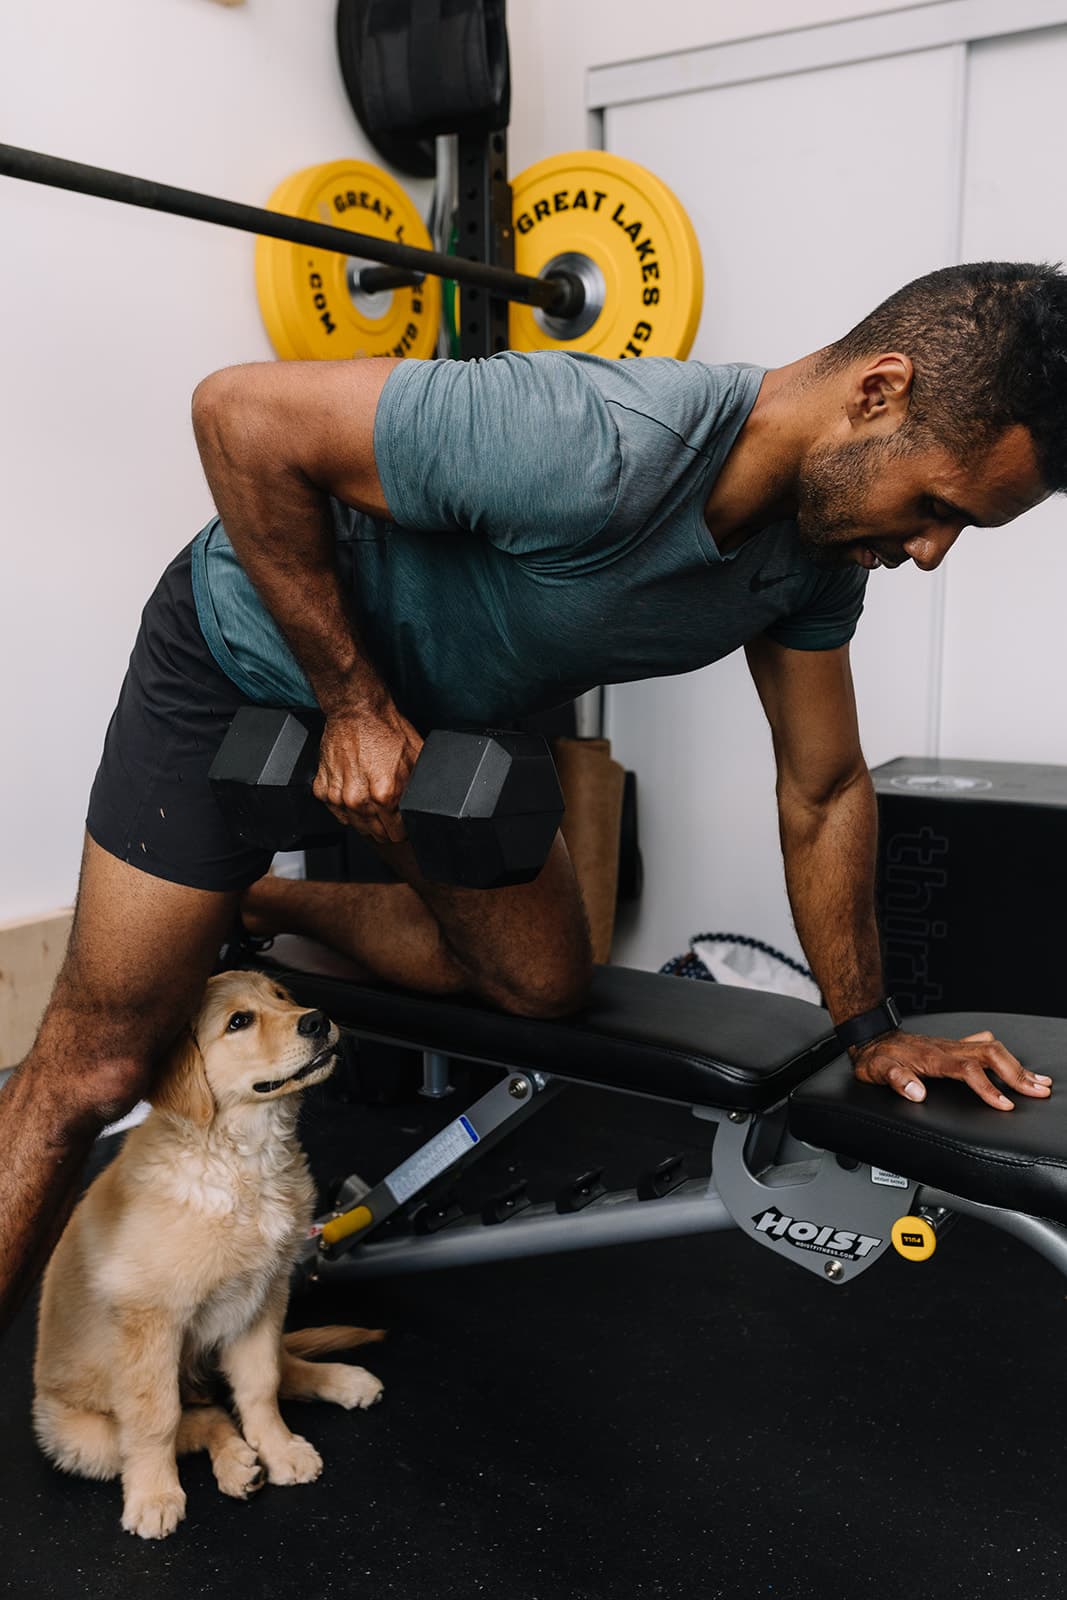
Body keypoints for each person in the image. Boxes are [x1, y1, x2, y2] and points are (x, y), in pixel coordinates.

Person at [2, 260, 1063, 1333]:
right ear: (876, 392)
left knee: (536, 982)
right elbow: (237, 414)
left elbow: (823, 782)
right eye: (935, 507)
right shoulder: (591, 438)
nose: (928, 552)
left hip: (451, 716)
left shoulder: (818, 561)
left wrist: (866, 1031)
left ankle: (252, 906)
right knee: (97, 1066)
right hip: (242, 654)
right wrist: (354, 703)